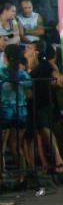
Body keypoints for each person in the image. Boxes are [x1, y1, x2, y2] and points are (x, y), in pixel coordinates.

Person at [23, 40, 63, 174]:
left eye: (29, 47)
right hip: (28, 105)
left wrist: (57, 78)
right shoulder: (22, 67)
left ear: (36, 52)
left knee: (45, 129)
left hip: (44, 102)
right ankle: (33, 168)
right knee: (29, 136)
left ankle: (59, 159)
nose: (26, 49)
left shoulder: (44, 66)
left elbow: (56, 77)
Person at [0, 43, 31, 185]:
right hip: (21, 111)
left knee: (2, 146)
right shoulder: (22, 74)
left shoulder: (2, 72)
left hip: (6, 112)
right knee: (17, 146)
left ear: (6, 57)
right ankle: (22, 177)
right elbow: (29, 89)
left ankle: (2, 178)